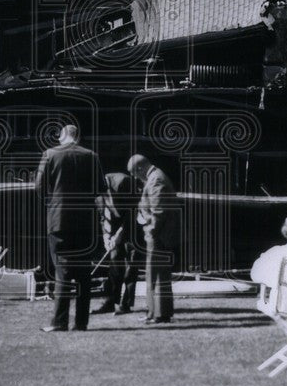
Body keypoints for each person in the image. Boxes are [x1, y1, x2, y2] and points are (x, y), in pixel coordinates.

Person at [35, 125, 106, 332]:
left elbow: (38, 187)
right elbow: (100, 189)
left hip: (59, 220)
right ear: (78, 136)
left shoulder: (49, 154)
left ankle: (59, 321)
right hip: (85, 221)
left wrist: (52, 204)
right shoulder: (91, 155)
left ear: (61, 137)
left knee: (63, 271)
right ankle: (81, 322)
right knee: (84, 273)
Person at [129, 154, 179, 325]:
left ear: (140, 168)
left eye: (135, 174)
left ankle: (160, 314)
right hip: (158, 234)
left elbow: (159, 211)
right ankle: (154, 312)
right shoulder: (154, 176)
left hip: (159, 235)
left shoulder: (156, 179)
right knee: (154, 274)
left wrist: (150, 231)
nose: (135, 178)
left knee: (157, 275)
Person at [92, 170, 140, 315]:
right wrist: (106, 237)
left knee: (131, 267)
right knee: (114, 265)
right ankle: (110, 302)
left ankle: (125, 305)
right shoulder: (96, 192)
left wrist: (119, 234)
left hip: (134, 229)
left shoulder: (123, 182)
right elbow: (103, 217)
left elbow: (133, 211)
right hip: (115, 230)